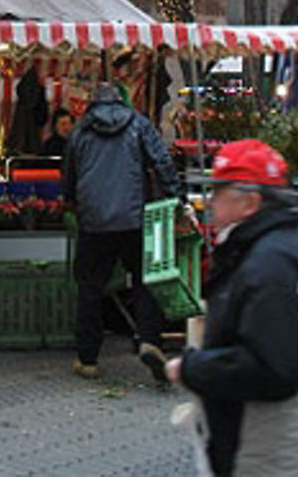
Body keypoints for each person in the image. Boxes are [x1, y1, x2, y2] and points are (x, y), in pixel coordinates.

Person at [166, 138, 298, 476]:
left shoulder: (269, 265)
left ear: (249, 202)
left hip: (268, 448)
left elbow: (272, 368)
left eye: (219, 193)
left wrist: (193, 369)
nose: (211, 203)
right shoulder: (277, 250)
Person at [62, 80, 186, 384]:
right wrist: (177, 199)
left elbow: (68, 173)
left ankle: (87, 359)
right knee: (145, 281)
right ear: (122, 101)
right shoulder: (139, 124)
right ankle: (150, 341)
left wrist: (73, 203)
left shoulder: (80, 130)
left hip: (94, 223)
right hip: (134, 218)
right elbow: (162, 162)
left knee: (90, 288)